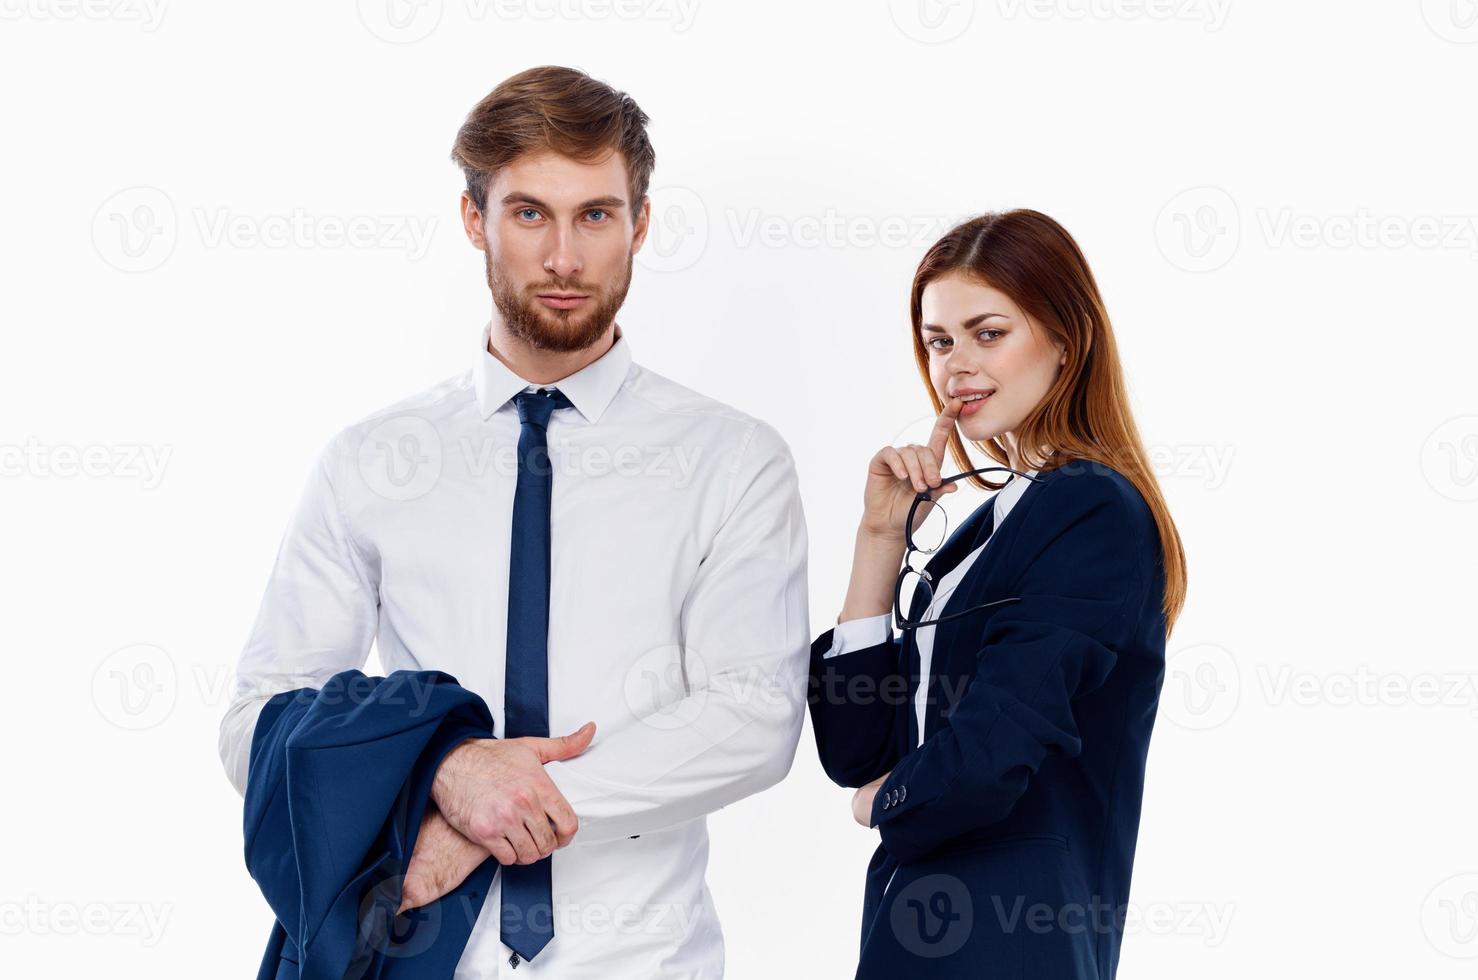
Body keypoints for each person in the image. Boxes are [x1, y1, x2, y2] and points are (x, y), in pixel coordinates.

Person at [218, 65, 810, 977]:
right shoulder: (370, 461)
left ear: (641, 225)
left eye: (597, 215)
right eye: (530, 213)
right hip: (418, 954)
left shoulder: (732, 460)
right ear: (474, 221)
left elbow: (754, 719)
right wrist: (447, 776)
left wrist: (503, 812)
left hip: (643, 962)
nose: (565, 258)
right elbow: (259, 718)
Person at [808, 209, 1187, 979]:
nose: (955, 367)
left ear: (1065, 339)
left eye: (989, 333)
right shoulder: (994, 519)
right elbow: (857, 751)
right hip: (917, 929)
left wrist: (880, 805)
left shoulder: (1091, 509)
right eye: (940, 341)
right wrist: (879, 542)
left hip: (1011, 945)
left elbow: (987, 760)